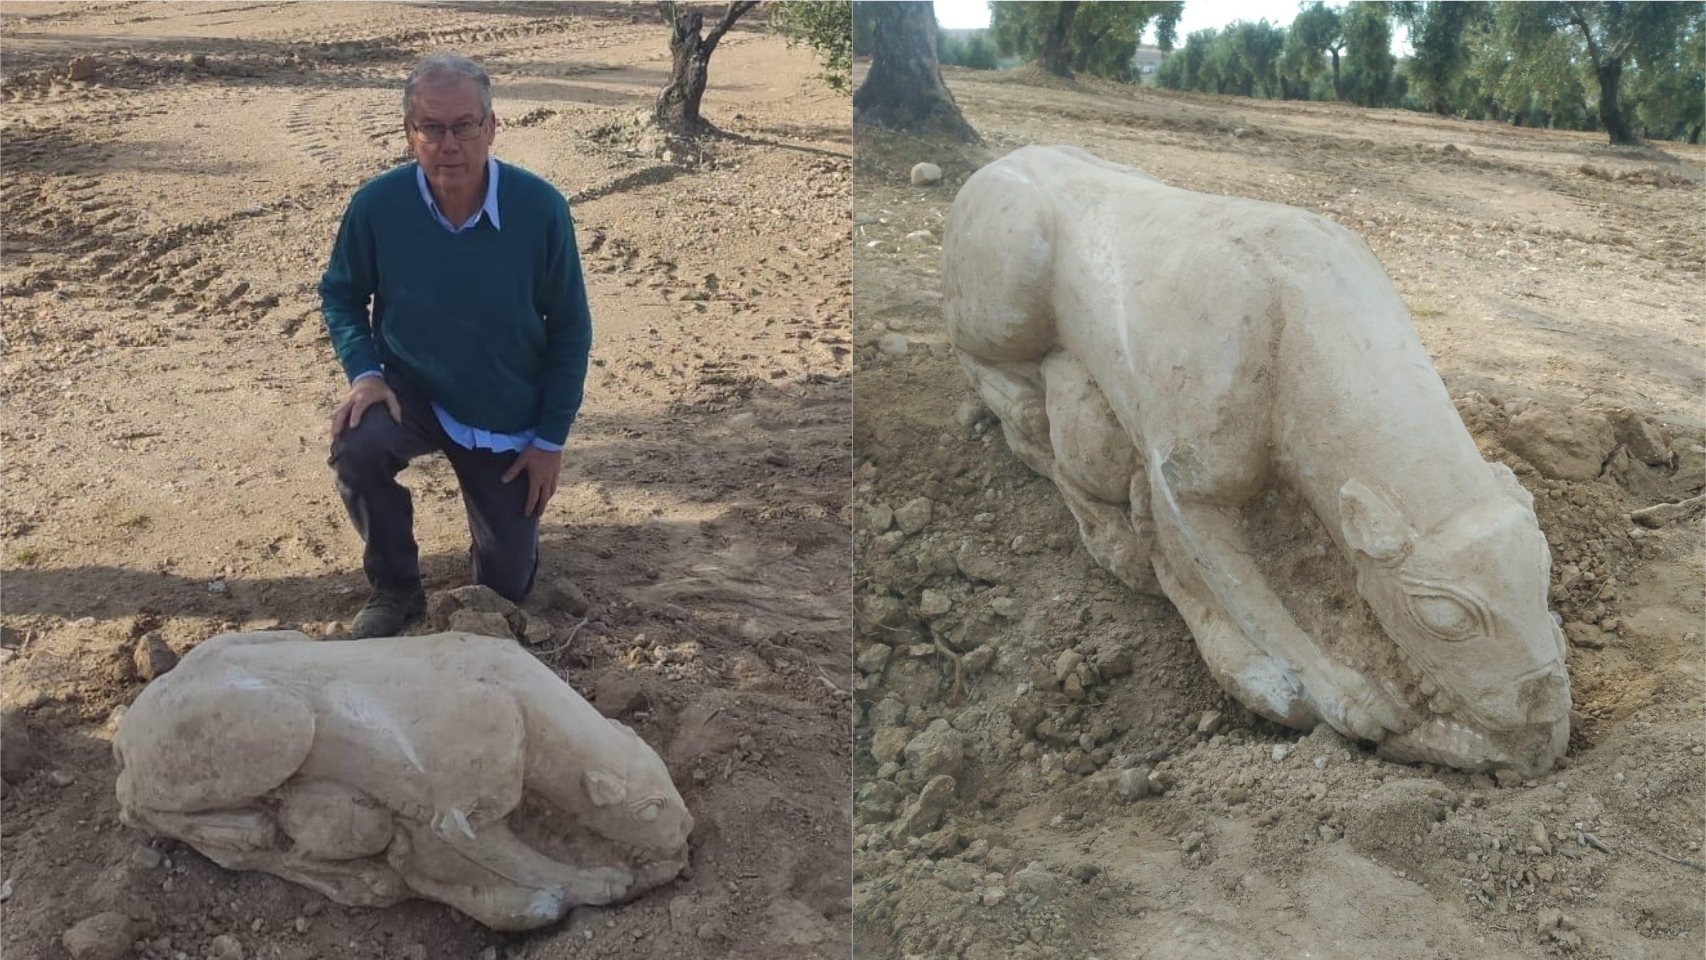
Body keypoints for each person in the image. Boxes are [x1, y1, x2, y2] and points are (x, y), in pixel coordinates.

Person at [318, 52, 592, 639]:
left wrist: (549, 442)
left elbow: (571, 327)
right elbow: (341, 295)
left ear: (492, 127)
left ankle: (496, 558)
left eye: (464, 126)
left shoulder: (540, 209)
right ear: (409, 133)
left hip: (505, 405)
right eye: (432, 128)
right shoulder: (377, 207)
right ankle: (395, 588)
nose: (449, 144)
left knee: (502, 591)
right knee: (355, 444)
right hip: (411, 390)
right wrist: (365, 374)